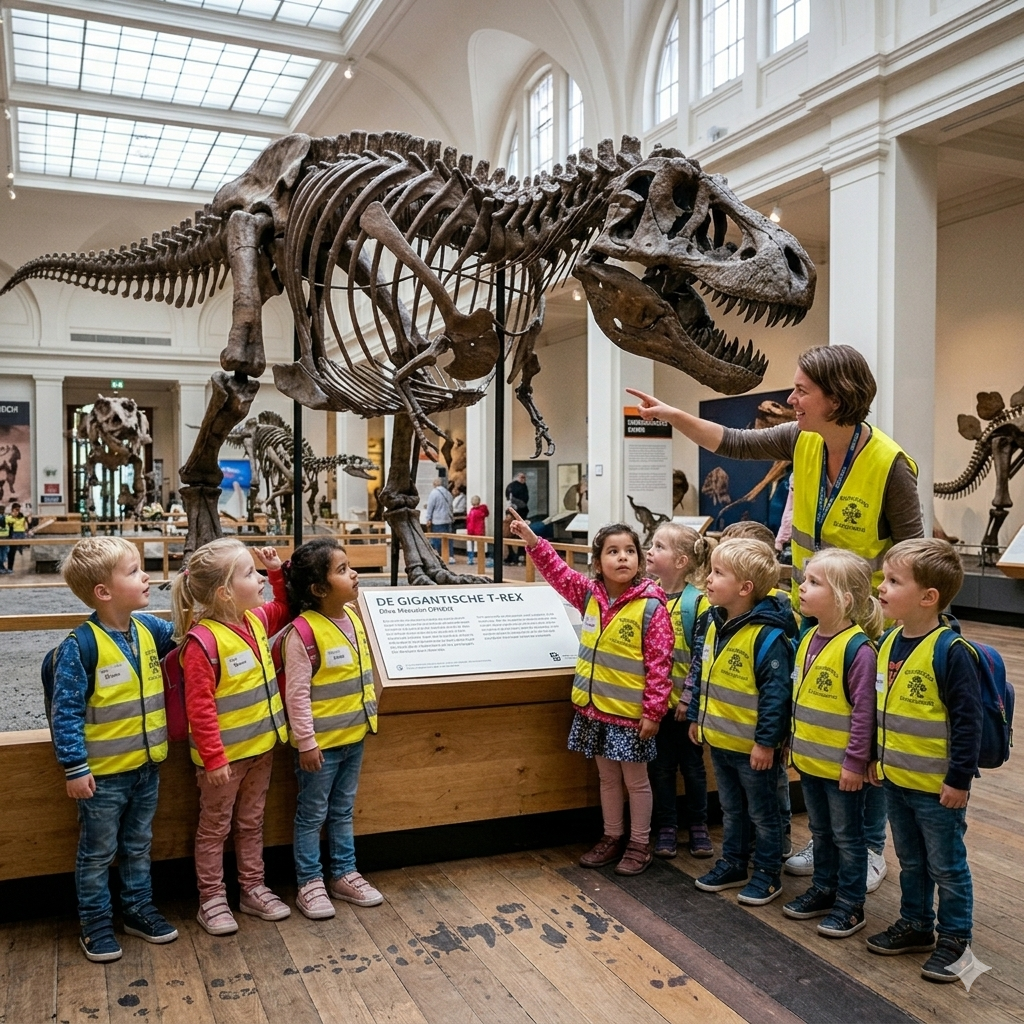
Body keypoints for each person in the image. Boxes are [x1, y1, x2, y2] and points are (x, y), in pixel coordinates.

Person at [629, 344, 921, 884]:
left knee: (863, 734)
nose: (790, 399)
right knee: (813, 729)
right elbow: (732, 441)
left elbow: (914, 555)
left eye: (802, 390)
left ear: (836, 397)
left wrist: (915, 630)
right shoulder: (801, 439)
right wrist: (671, 415)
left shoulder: (890, 465)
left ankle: (869, 848)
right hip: (813, 617)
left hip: (868, 627)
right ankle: (822, 841)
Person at [507, 509, 673, 876]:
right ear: (597, 562)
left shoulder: (651, 606)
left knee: (636, 781)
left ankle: (639, 843)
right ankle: (612, 836)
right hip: (595, 712)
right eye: (613, 551)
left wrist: (653, 712)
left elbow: (661, 665)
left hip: (630, 717)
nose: (623, 557)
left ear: (639, 559)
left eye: (630, 551)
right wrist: (533, 542)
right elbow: (558, 572)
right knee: (608, 778)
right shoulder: (589, 595)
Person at [53, 536, 179, 962]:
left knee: (139, 844)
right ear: (103, 592)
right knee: (97, 853)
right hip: (102, 779)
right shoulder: (80, 647)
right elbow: (66, 712)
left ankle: (138, 910)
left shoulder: (150, 630)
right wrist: (74, 767)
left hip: (147, 769)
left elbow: (186, 635)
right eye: (134, 571)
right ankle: (95, 923)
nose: (146, 577)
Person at [866, 539, 982, 982]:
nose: (882, 587)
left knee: (946, 865)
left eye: (894, 581)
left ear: (928, 597)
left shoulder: (951, 651)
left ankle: (955, 939)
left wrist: (959, 780)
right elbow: (881, 708)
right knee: (911, 860)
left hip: (937, 788)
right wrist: (876, 757)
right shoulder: (888, 642)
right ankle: (916, 924)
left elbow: (968, 723)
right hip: (896, 779)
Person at [171, 539, 293, 936]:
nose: (259, 580)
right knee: (214, 829)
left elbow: (284, 607)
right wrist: (213, 758)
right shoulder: (202, 642)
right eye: (250, 574)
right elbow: (200, 707)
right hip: (223, 762)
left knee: (251, 822)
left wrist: (275, 571)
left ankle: (252, 889)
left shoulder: (255, 620)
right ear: (225, 592)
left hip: (261, 750)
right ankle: (211, 899)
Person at [687, 538, 796, 906]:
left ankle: (767, 873)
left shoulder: (768, 637)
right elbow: (703, 674)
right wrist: (696, 717)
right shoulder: (713, 622)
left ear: (745, 588)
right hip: (720, 741)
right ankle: (734, 862)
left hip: (754, 750)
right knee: (732, 811)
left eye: (718, 573)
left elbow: (776, 697)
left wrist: (766, 743)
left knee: (764, 815)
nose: (708, 579)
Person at [280, 538, 383, 919]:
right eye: (342, 570)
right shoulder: (302, 633)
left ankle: (344, 873)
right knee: (312, 813)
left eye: (349, 566)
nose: (353, 574)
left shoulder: (353, 617)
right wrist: (306, 743)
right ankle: (309, 881)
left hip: (354, 738)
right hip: (320, 748)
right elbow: (297, 694)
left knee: (342, 810)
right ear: (319, 589)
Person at [783, 549, 884, 939]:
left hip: (843, 770)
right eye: (804, 579)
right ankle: (824, 889)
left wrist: (855, 763)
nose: (802, 587)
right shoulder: (808, 637)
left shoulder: (859, 650)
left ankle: (850, 904)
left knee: (848, 837)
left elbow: (864, 715)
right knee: (821, 832)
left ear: (843, 598)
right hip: (811, 762)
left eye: (813, 582)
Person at [720, 519, 799, 855]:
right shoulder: (720, 615)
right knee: (740, 801)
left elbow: (777, 688)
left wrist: (772, 737)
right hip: (731, 734)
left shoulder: (777, 618)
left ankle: (777, 846)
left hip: (763, 734)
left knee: (771, 792)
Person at [644, 523, 714, 859]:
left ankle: (698, 825)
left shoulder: (697, 603)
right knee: (660, 769)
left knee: (693, 769)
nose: (650, 550)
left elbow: (701, 657)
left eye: (659, 547)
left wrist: (689, 699)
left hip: (686, 709)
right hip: (656, 707)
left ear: (681, 561)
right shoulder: (646, 596)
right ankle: (667, 827)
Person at [424, 477, 454, 562]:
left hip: (437, 520)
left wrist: (428, 518)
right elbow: (451, 506)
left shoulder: (434, 493)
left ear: (434, 484)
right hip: (448, 519)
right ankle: (450, 556)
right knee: (448, 538)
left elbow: (430, 507)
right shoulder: (448, 493)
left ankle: (440, 555)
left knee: (437, 538)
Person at [466, 495, 492, 566]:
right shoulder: (482, 510)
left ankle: (471, 559)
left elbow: (469, 522)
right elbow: (486, 514)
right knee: (480, 545)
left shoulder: (472, 511)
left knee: (471, 545)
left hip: (472, 530)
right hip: (480, 530)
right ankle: (480, 558)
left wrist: (469, 531)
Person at [6, 500, 32, 572]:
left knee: (20, 548)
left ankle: (20, 548)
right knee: (11, 552)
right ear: (12, 510)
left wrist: (26, 526)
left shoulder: (21, 516)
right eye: (16, 509)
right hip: (13, 534)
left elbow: (25, 524)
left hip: (21, 534)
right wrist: (13, 516)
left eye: (18, 510)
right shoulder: (9, 517)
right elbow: (8, 522)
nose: (17, 511)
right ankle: (10, 568)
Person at [0, 503, 9, 575]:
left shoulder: (5, 517)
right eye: (1, 510)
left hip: (5, 537)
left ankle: (2, 566)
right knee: (0, 554)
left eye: (3, 510)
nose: (3, 511)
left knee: (4, 553)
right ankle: (1, 567)